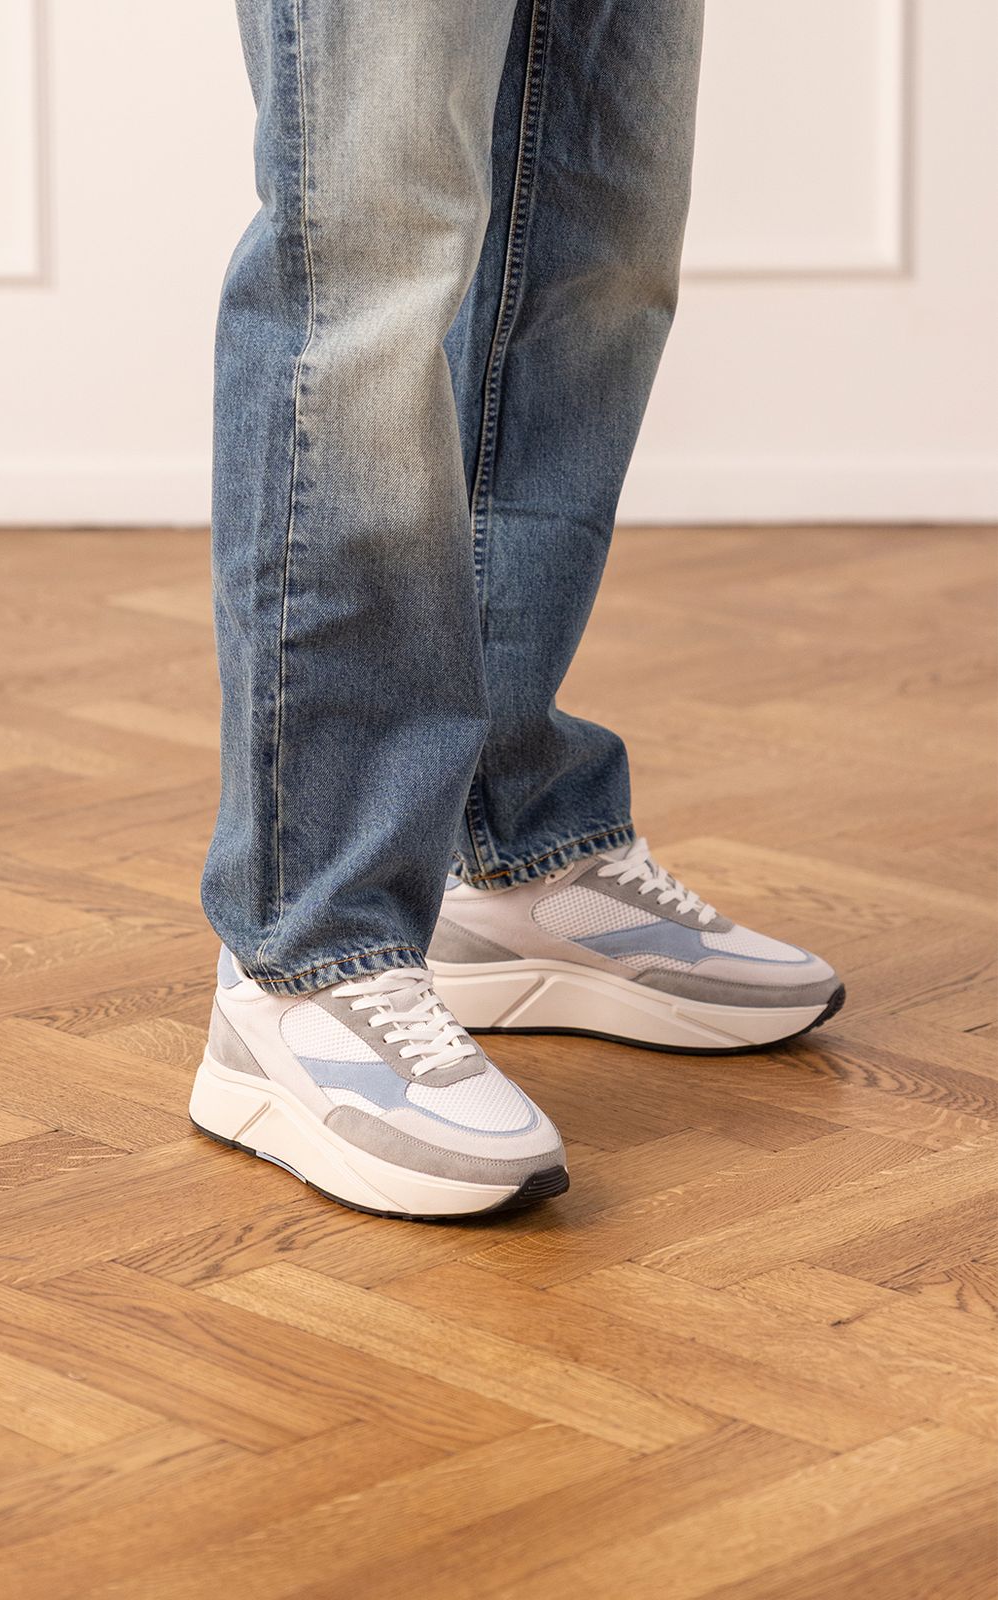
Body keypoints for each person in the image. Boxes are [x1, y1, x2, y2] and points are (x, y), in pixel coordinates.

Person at [189, 0, 844, 1219]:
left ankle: (511, 850)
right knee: (368, 251)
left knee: (596, 248)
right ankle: (305, 955)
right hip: (300, 953)